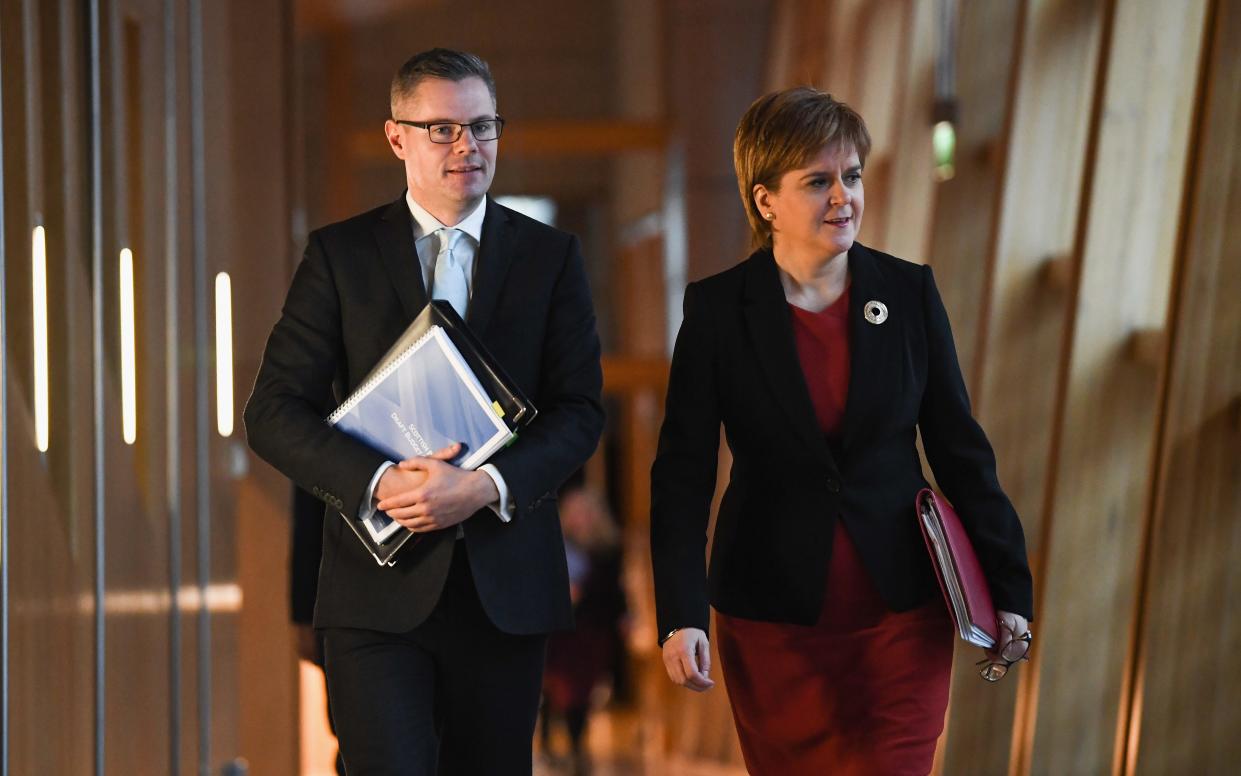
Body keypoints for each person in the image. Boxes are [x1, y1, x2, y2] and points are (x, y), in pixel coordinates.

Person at [649, 86, 1034, 775]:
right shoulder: (716, 310)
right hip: (772, 617)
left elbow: (958, 448)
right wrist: (679, 612)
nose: (843, 198)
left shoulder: (910, 292)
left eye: (851, 176)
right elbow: (681, 474)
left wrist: (1007, 588)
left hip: (900, 606)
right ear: (764, 199)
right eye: (817, 181)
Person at [244, 48, 604, 775]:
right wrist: (381, 482)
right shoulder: (340, 256)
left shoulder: (548, 257)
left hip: (505, 591)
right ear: (396, 137)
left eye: (482, 126)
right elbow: (274, 412)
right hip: (375, 593)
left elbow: (580, 412)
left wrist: (484, 487)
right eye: (441, 128)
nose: (467, 145)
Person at [538, 477, 627, 774]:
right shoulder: (558, 547)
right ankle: (550, 747)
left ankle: (577, 748)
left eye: (584, 511)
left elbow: (614, 594)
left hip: (591, 633)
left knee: (580, 693)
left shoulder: (607, 550)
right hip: (561, 632)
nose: (579, 518)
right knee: (553, 688)